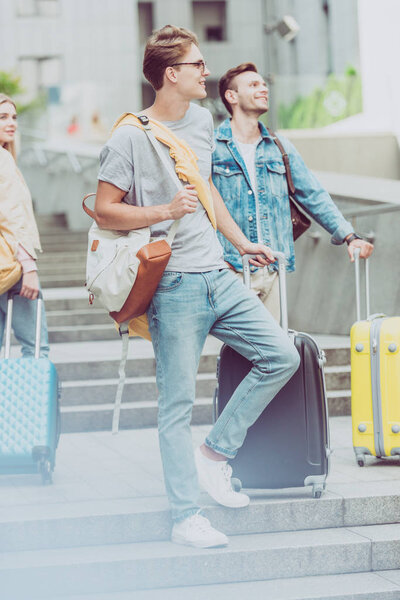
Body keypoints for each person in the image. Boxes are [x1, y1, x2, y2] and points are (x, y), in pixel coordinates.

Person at [95, 26, 300, 549]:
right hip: (174, 284)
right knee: (175, 405)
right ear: (171, 74)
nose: (206, 72)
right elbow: (104, 209)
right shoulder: (128, 136)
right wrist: (164, 211)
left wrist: (243, 242)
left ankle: (214, 455)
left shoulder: (204, 122)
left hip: (217, 273)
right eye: (198, 65)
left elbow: (207, 189)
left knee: (281, 355)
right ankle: (186, 516)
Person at [212, 63, 373, 321]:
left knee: (277, 354)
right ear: (232, 96)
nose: (263, 88)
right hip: (229, 268)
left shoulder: (278, 146)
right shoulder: (211, 146)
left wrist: (349, 235)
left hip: (274, 269)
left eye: (263, 84)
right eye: (253, 85)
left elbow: (313, 194)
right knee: (237, 355)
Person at [0, 94, 49, 357]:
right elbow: (11, 216)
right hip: (12, 267)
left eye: (14, 117)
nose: (12, 123)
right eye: (3, 117)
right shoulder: (3, 159)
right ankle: (35, 399)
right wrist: (29, 267)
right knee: (36, 347)